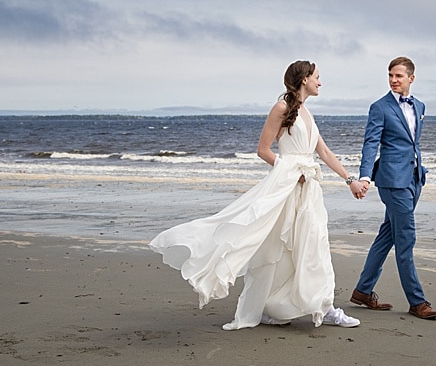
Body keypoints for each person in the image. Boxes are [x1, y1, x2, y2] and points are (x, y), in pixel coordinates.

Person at [149, 60, 367, 330]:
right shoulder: (281, 108)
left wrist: (350, 180)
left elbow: (323, 152)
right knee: (278, 248)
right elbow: (264, 150)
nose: (320, 82)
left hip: (309, 190)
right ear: (304, 80)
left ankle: (323, 306)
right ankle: (279, 307)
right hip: (286, 188)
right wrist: (290, 171)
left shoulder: (308, 114)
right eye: (317, 77)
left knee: (314, 245)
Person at [349, 56, 436, 320]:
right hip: (391, 181)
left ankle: (363, 290)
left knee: (388, 234)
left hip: (414, 178)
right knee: (406, 239)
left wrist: (418, 172)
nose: (393, 80)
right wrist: (365, 176)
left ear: (411, 78)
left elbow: (413, 143)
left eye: (399, 76)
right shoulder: (379, 107)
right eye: (390, 75)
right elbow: (370, 143)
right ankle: (417, 301)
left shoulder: (420, 106)